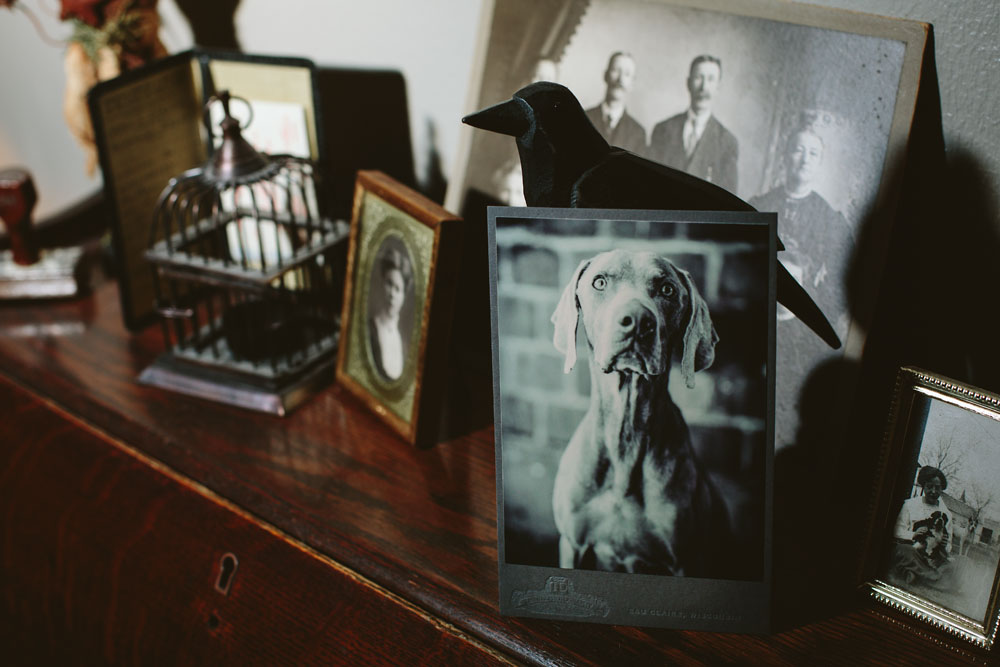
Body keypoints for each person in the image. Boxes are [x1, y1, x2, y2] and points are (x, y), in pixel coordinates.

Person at [749, 125, 854, 336]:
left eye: (813, 154)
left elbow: (844, 275)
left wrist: (817, 309)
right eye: (798, 150)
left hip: (802, 325)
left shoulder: (830, 217)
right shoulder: (759, 205)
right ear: (785, 157)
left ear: (819, 164)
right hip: (756, 309)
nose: (805, 159)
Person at [648, 54, 738, 193]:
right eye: (698, 78)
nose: (703, 87)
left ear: (718, 87)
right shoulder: (663, 130)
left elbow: (729, 202)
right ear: (688, 83)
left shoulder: (727, 142)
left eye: (710, 79)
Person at [889, 466, 955, 587]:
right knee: (904, 551)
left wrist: (945, 544)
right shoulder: (910, 505)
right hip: (912, 550)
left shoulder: (947, 515)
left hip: (932, 557)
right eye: (929, 487)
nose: (933, 491)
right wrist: (913, 534)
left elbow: (949, 545)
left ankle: (913, 573)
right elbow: (897, 531)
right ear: (923, 486)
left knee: (953, 565)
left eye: (937, 488)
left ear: (942, 489)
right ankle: (933, 579)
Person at [584, 51, 647, 155]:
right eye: (616, 70)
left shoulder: (638, 133)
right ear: (605, 75)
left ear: (632, 83)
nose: (620, 79)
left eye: (627, 74)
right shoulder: (584, 117)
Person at [369, 245, 412, 381]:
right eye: (389, 284)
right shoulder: (369, 329)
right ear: (382, 283)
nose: (392, 294)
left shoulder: (403, 342)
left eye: (398, 289)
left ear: (404, 296)